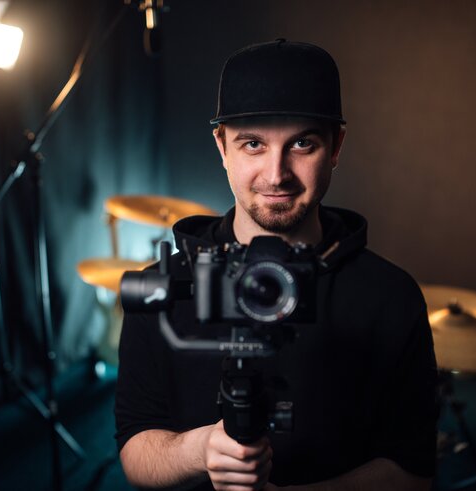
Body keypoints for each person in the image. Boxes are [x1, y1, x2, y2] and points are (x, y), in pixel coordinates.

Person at [115, 39, 438, 490]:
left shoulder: (391, 297)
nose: (276, 174)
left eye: (302, 143)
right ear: (222, 147)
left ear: (336, 146)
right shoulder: (163, 286)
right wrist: (203, 448)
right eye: (253, 144)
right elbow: (135, 451)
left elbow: (415, 471)